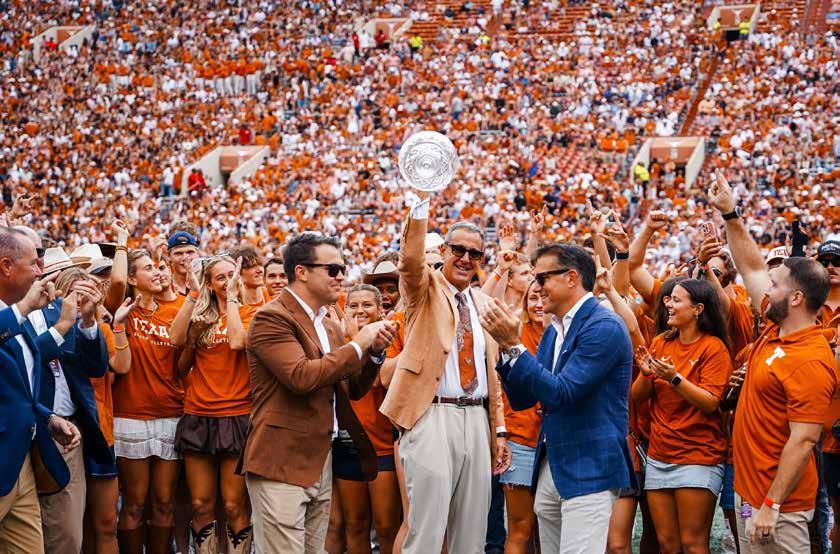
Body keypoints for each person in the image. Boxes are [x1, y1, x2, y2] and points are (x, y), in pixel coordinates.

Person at [239, 232, 396, 553]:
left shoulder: (327, 323)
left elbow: (351, 388)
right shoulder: (271, 317)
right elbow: (301, 377)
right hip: (280, 460)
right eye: (332, 269)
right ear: (301, 272)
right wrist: (358, 344)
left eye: (343, 268)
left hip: (320, 458)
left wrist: (374, 353)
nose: (341, 276)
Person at [709, 170, 838, 552]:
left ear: (796, 298)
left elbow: (804, 440)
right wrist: (730, 214)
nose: (768, 288)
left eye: (777, 285)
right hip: (751, 495)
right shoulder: (776, 328)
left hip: (779, 508)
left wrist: (771, 504)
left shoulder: (810, 358)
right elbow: (751, 265)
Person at [480, 243, 634, 553]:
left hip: (589, 467)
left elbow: (562, 393)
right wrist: (506, 350)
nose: (535, 286)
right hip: (553, 465)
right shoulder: (555, 329)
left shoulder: (603, 326)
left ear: (571, 277)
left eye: (542, 278)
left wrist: (514, 346)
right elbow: (524, 398)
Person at [380, 193, 510, 554]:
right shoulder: (423, 289)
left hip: (477, 417)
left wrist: (498, 429)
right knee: (426, 529)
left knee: (472, 532)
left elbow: (491, 374)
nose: (466, 258)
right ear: (443, 251)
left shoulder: (482, 302)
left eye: (475, 254)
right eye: (458, 250)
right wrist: (420, 205)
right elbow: (409, 262)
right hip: (432, 413)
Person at [631, 279, 733, 554]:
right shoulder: (660, 342)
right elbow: (638, 397)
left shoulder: (713, 348)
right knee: (668, 545)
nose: (668, 305)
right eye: (668, 299)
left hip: (698, 456)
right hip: (660, 455)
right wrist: (645, 374)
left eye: (676, 300)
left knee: (693, 544)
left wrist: (674, 378)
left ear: (698, 309)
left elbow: (711, 403)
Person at [0, 227, 81, 551]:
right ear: (6, 266)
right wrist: (22, 311)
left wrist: (46, 417)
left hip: (20, 461)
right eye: (34, 263)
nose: (39, 272)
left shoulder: (17, 313)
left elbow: (16, 385)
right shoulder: (15, 314)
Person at [170, 255, 255, 554]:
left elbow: (238, 342)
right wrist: (193, 340)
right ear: (208, 284)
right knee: (200, 503)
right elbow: (180, 368)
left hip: (237, 414)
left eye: (233, 274)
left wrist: (230, 299)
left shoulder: (252, 313)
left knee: (233, 505)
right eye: (221, 277)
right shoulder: (200, 316)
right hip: (199, 414)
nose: (228, 281)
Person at [112, 250, 185, 553]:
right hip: (131, 415)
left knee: (165, 502)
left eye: (157, 267)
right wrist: (121, 243)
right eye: (147, 268)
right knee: (134, 503)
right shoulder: (121, 310)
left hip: (170, 413)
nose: (157, 272)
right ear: (132, 278)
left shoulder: (173, 312)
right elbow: (116, 280)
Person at [36, 266, 110, 554]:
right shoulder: (34, 316)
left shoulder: (82, 322)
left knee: (67, 532)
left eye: (89, 292)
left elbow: (96, 367)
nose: (82, 299)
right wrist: (63, 322)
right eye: (78, 292)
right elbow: (32, 358)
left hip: (67, 432)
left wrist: (89, 320)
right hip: (30, 428)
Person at [329, 285, 402, 554]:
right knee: (356, 525)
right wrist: (352, 338)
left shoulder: (389, 338)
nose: (360, 310)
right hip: (347, 444)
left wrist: (358, 337)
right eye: (353, 305)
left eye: (367, 305)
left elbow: (376, 380)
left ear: (380, 309)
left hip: (382, 445)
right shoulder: (339, 341)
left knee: (386, 526)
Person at [84, 287, 136, 554]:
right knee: (77, 525)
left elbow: (122, 365)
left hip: (100, 431)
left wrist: (117, 326)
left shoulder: (102, 330)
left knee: (105, 524)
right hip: (66, 431)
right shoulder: (51, 332)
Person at [499, 280, 544, 553]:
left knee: (550, 525)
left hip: (556, 443)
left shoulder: (568, 334)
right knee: (521, 526)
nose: (539, 304)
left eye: (544, 296)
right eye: (533, 298)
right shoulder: (514, 334)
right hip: (520, 439)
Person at [167, 230, 200, 296]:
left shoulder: (209, 283)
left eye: (190, 252)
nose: (185, 258)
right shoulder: (165, 287)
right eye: (179, 253)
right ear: (169, 256)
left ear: (197, 254)